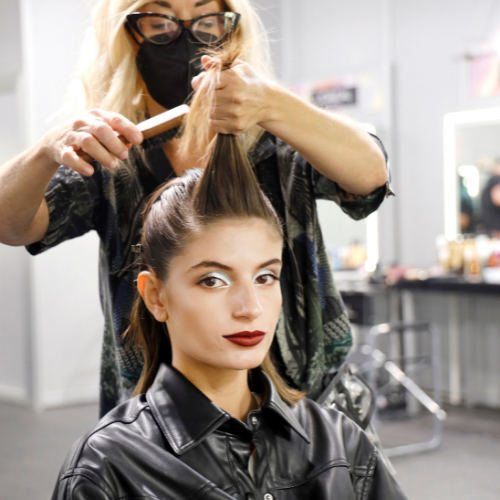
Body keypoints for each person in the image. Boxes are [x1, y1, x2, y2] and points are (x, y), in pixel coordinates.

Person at [0, 0, 390, 416]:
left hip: (307, 409)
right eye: (159, 21)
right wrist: (46, 151)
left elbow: (370, 176)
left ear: (231, 29)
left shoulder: (280, 144)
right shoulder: (113, 156)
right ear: (126, 37)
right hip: (157, 419)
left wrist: (277, 106)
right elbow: (13, 225)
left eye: (207, 20)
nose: (185, 37)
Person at [51, 66, 405, 496]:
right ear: (155, 297)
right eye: (214, 280)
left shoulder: (340, 442)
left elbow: (371, 172)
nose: (250, 307)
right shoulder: (108, 466)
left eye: (265, 276)